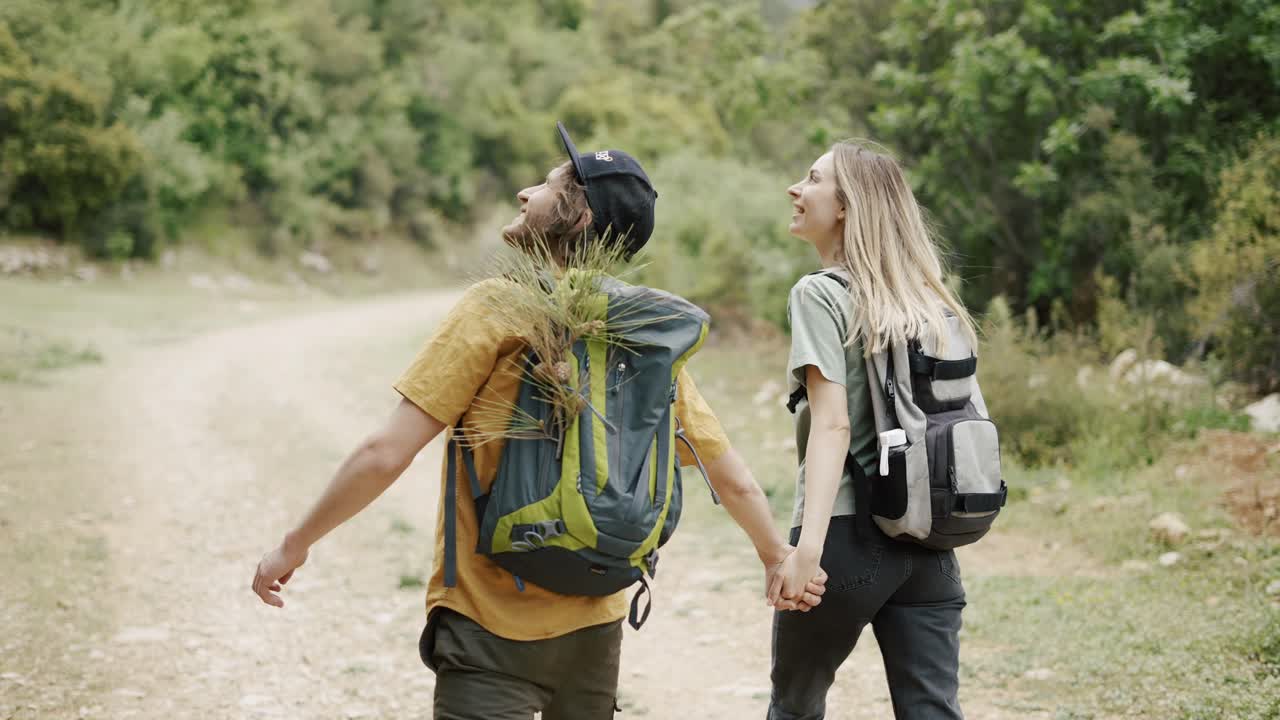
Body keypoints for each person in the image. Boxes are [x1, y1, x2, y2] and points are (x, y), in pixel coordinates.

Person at [251, 122, 826, 720]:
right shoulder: (637, 339)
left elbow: (385, 454)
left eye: (549, 185)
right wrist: (772, 557)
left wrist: (295, 544)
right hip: (595, 628)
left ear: (576, 217)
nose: (526, 193)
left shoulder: (496, 307)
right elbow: (728, 473)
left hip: (488, 622)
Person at [765, 140, 979, 720]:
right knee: (932, 710)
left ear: (846, 207)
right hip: (930, 539)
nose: (795, 188)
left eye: (812, 179)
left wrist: (805, 553)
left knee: (795, 707)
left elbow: (831, 425)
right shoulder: (930, 301)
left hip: (846, 534)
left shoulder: (819, 294)